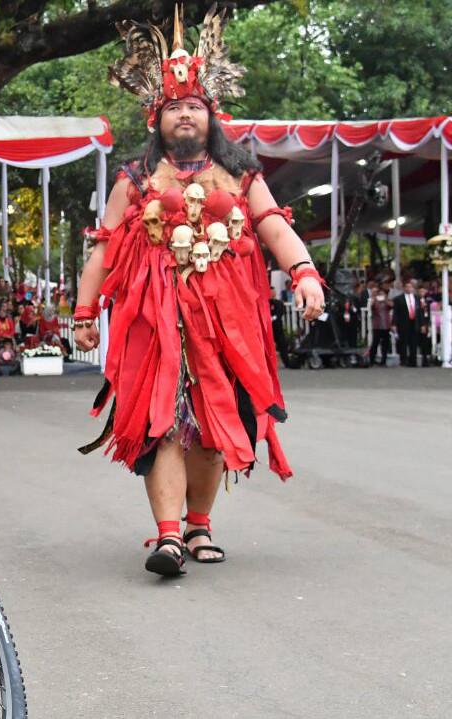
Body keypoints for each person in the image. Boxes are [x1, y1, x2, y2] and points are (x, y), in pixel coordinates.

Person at [74, 8, 324, 577]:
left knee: (215, 422)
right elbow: (104, 247)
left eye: (193, 107)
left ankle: (199, 525)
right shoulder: (135, 179)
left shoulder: (241, 175)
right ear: (155, 118)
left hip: (226, 327)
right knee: (160, 421)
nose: (185, 115)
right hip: (154, 323)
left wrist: (305, 272)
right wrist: (85, 310)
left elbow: (273, 226)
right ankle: (167, 537)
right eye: (174, 108)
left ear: (211, 116)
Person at [391, 279, 427, 367]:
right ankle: (403, 360)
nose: (408, 288)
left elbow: (420, 312)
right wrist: (394, 324)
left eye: (410, 287)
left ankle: (413, 360)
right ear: (404, 288)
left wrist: (422, 324)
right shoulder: (398, 299)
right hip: (403, 322)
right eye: (407, 287)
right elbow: (396, 312)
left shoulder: (417, 298)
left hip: (415, 322)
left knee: (413, 342)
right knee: (403, 342)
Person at [368, 288, 392, 366]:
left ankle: (383, 361)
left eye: (383, 294)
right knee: (375, 343)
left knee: (385, 344)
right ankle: (372, 360)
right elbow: (371, 307)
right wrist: (375, 299)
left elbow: (391, 305)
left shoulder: (387, 301)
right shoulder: (374, 301)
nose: (381, 296)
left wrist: (385, 299)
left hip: (386, 325)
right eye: (380, 294)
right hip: (377, 325)